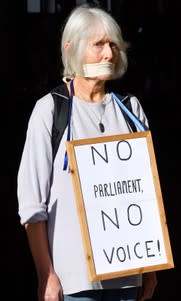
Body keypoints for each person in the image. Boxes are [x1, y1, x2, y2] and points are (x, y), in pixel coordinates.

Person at [17, 4, 157, 301]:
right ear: (72, 49)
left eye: (113, 45)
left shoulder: (132, 111)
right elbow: (32, 205)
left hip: (127, 280)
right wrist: (47, 276)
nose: (109, 53)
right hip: (74, 285)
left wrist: (150, 268)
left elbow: (145, 195)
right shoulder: (50, 110)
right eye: (99, 45)